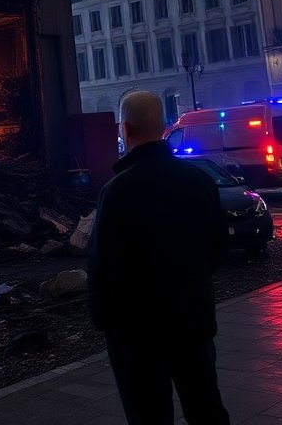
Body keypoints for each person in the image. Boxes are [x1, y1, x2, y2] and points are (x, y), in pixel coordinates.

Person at [87, 90, 230, 424]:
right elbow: (218, 247)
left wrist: (104, 319)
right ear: (165, 126)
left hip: (137, 332)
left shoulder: (117, 191)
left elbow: (103, 264)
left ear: (125, 129)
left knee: (148, 415)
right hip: (192, 320)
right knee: (206, 407)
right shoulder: (200, 181)